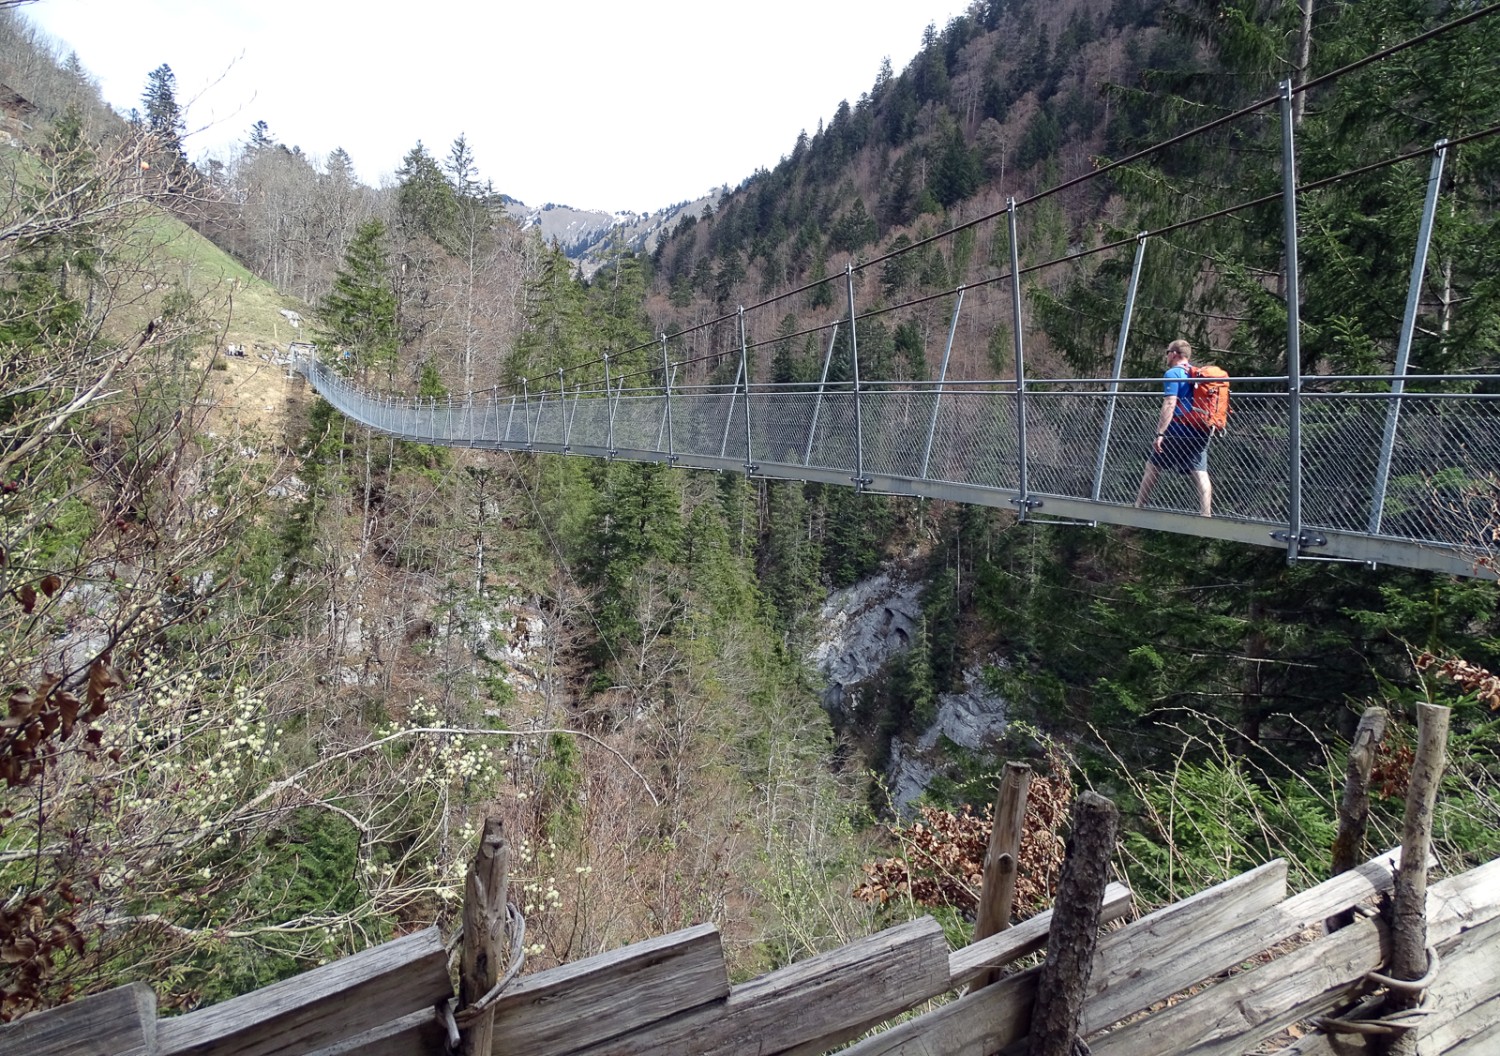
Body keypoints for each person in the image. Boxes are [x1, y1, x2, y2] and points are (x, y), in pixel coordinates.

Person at [1135, 339, 1213, 517]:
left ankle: (1139, 505)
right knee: (1200, 471)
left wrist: (1160, 433)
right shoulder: (1197, 375)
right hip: (1200, 428)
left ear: (1175, 354)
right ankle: (1206, 513)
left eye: (1167, 351)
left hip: (1178, 427)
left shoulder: (1173, 373)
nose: (1166, 355)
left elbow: (1170, 403)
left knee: (1153, 466)